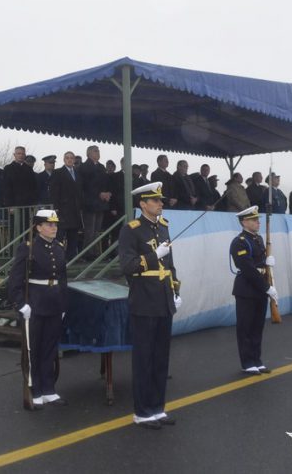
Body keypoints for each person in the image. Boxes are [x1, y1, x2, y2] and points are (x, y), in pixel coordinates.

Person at [119, 182, 181, 429]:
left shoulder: (163, 228)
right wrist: (155, 256)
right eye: (155, 201)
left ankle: (157, 408)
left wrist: (176, 290)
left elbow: (171, 266)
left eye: (160, 201)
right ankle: (142, 411)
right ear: (143, 204)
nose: (160, 204)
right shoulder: (131, 230)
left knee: (160, 359)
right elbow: (128, 266)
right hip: (144, 301)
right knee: (144, 359)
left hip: (163, 300)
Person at [8, 209, 68, 408]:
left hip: (53, 303)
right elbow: (15, 279)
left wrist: (63, 304)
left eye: (55, 224)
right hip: (34, 303)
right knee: (33, 348)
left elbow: (62, 279)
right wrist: (20, 304)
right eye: (49, 225)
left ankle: (49, 389)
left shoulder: (59, 247)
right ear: (38, 227)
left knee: (50, 348)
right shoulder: (28, 248)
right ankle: (35, 390)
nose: (54, 228)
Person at [230, 206, 277, 374]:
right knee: (246, 327)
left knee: (257, 327)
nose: (258, 222)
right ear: (244, 222)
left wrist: (267, 262)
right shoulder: (240, 241)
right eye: (254, 219)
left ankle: (257, 359)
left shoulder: (258, 239)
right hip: (247, 289)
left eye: (258, 219)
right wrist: (266, 288)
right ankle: (247, 362)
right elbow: (248, 268)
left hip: (260, 288)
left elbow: (259, 263)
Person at [49, 151, 83, 260]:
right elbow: (54, 191)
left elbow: (80, 191)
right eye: (67, 158)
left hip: (75, 209)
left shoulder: (77, 173)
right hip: (63, 209)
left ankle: (71, 258)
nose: (69, 160)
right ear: (64, 160)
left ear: (74, 160)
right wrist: (56, 207)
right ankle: (58, 257)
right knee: (60, 234)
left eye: (71, 158)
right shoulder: (58, 172)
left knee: (73, 235)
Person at [79, 145, 111, 258]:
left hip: (100, 204)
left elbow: (106, 182)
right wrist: (99, 193)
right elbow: (85, 186)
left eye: (98, 151)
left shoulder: (102, 167)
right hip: (89, 203)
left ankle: (96, 252)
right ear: (88, 153)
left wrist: (107, 193)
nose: (98, 153)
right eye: (95, 151)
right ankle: (88, 253)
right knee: (89, 230)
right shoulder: (83, 167)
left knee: (97, 230)